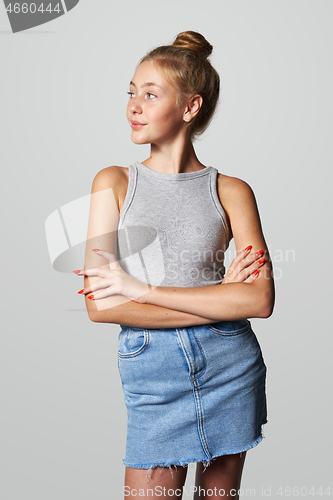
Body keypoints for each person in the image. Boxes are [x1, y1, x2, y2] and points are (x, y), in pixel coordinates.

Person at [74, 31, 275, 500]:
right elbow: (101, 307)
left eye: (150, 94)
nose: (133, 106)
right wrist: (222, 300)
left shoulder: (232, 191)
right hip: (153, 370)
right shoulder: (114, 183)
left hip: (230, 364)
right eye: (131, 92)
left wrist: (139, 290)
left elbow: (260, 299)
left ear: (190, 108)